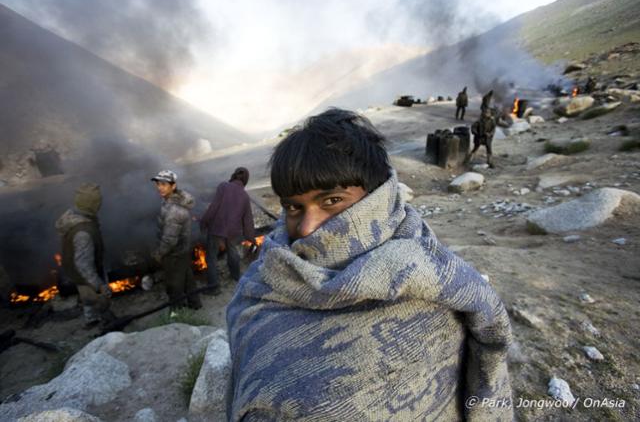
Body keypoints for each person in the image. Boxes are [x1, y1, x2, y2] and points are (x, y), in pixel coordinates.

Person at [226, 108, 513, 421]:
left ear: (377, 198)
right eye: (294, 207)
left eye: (331, 200)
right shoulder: (263, 287)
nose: (307, 228)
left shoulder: (437, 282)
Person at [55, 183, 115, 327]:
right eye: (97, 201)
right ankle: (105, 323)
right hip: (85, 271)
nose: (100, 204)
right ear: (92, 204)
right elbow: (84, 266)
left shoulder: (73, 215)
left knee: (86, 295)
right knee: (97, 297)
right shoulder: (83, 233)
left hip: (76, 270)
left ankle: (90, 319)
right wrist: (99, 285)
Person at [200, 167, 256, 295]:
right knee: (233, 253)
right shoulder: (245, 196)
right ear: (245, 180)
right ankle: (236, 276)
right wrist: (251, 237)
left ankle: (214, 288)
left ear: (234, 176)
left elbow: (213, 207)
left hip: (216, 228)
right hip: (233, 231)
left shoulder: (223, 186)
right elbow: (248, 220)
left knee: (211, 257)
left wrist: (204, 222)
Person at [150, 170, 201, 310]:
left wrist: (159, 253)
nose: (160, 187)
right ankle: (195, 304)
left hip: (175, 253)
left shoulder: (175, 211)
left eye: (164, 184)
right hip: (182, 250)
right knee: (188, 279)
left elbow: (169, 240)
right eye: (158, 184)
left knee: (173, 286)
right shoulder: (170, 201)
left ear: (173, 186)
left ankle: (177, 313)